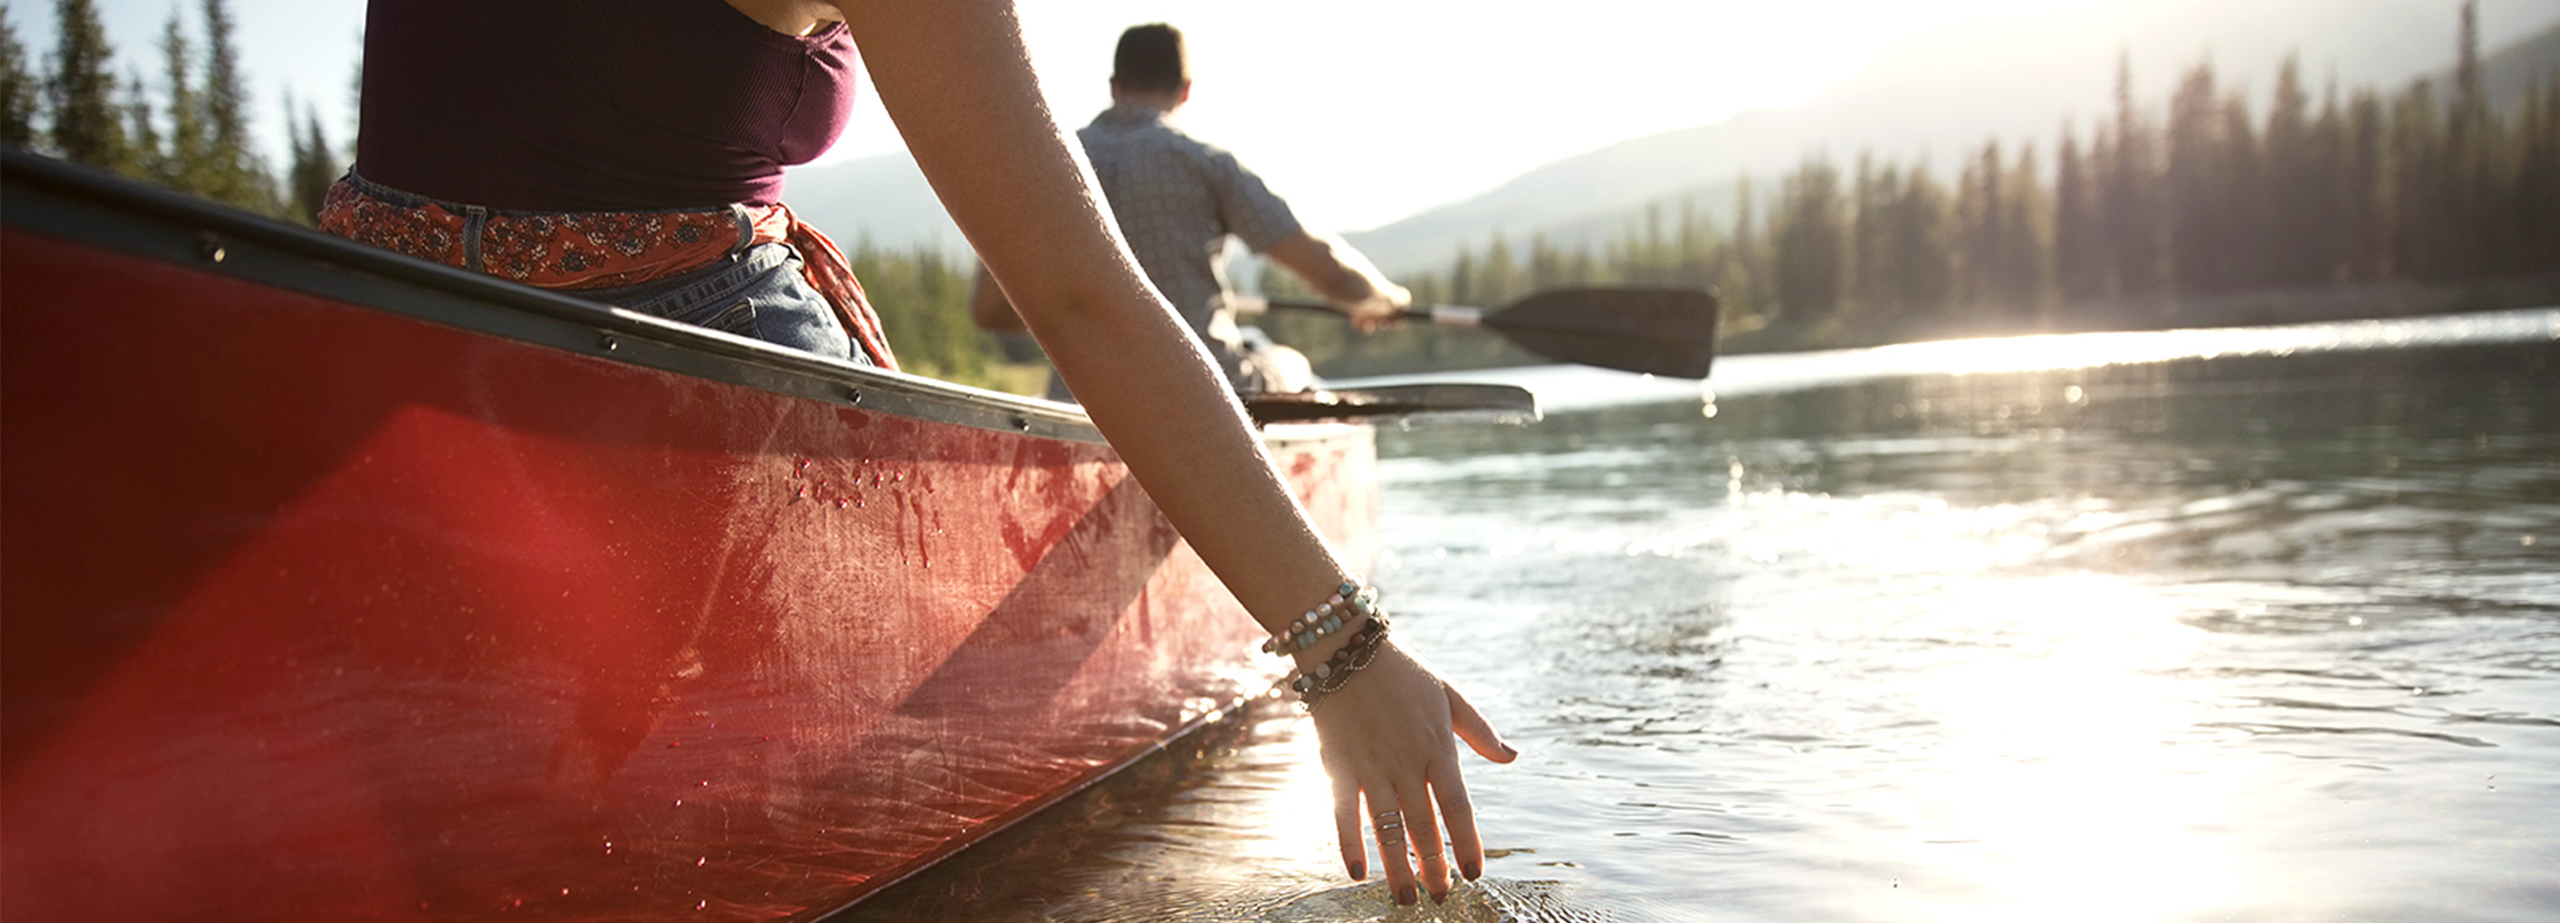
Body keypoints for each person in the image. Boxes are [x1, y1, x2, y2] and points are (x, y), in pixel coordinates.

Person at [327, 0, 1511, 908]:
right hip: (682, 353)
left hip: (364, 312)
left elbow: (1009, 313)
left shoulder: (1103, 141)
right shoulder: (1204, 163)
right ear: (1185, 86)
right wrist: (1344, 648)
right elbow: (1082, 300)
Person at [968, 22, 1411, 397]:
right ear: (1185, 89)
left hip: (1083, 399)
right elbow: (1332, 274)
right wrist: (1387, 299)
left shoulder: (1044, 165)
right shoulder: (1206, 164)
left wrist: (1088, 319)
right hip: (1209, 392)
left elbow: (990, 312)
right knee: (1290, 363)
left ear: (1114, 87)